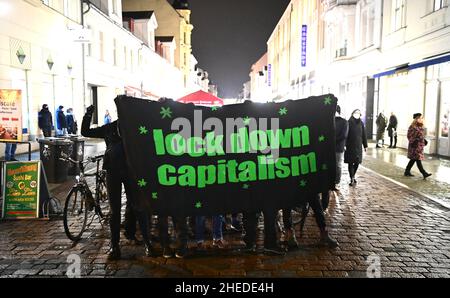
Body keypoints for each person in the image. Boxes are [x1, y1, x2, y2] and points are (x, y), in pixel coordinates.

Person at [81, 105, 154, 260]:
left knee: (139, 207)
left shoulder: (135, 127)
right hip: (113, 171)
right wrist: (88, 115)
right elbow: (85, 132)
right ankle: (114, 246)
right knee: (114, 211)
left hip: (131, 171)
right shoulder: (110, 128)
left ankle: (148, 243)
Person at [404, 113, 432, 179]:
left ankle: (407, 171)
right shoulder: (412, 127)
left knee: (414, 159)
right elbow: (409, 136)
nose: (421, 119)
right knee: (417, 159)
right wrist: (414, 141)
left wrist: (424, 140)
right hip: (414, 146)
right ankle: (424, 173)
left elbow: (420, 135)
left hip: (419, 146)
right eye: (420, 118)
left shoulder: (420, 126)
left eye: (422, 118)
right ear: (416, 119)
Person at [345, 109, 368, 187]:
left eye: (358, 113)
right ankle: (352, 178)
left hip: (358, 146)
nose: (357, 114)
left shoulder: (361, 123)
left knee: (357, 163)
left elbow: (364, 135)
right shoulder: (348, 122)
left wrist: (365, 145)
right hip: (350, 145)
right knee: (351, 162)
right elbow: (346, 135)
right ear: (352, 113)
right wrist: (344, 145)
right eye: (356, 113)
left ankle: (353, 176)